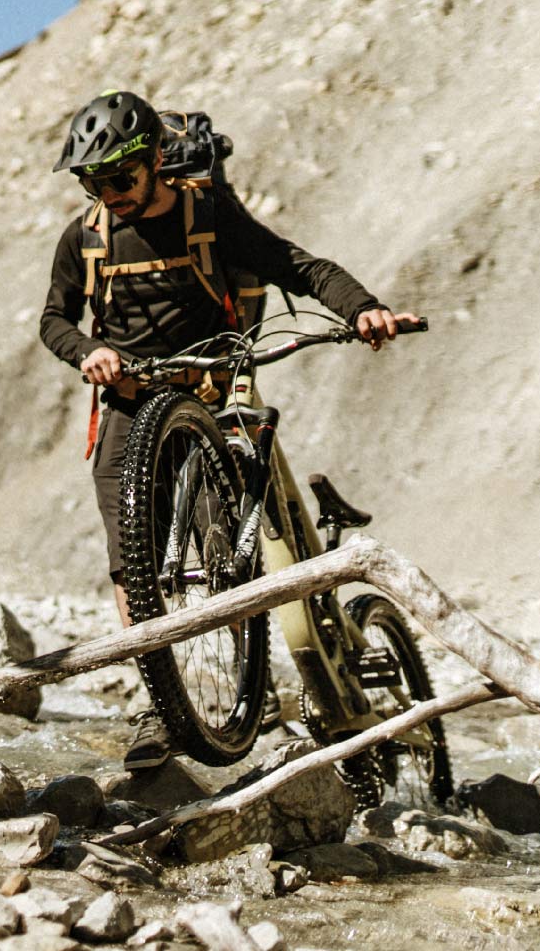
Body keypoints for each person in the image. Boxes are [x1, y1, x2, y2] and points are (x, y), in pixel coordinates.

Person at [38, 90, 417, 768]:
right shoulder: (85, 237)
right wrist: (86, 352)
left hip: (211, 385)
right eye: (95, 182)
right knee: (132, 559)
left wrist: (364, 309)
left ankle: (249, 677)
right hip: (128, 399)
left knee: (225, 548)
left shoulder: (206, 215)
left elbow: (297, 267)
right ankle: (158, 700)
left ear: (155, 161)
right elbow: (54, 320)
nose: (110, 193)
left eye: (122, 178)